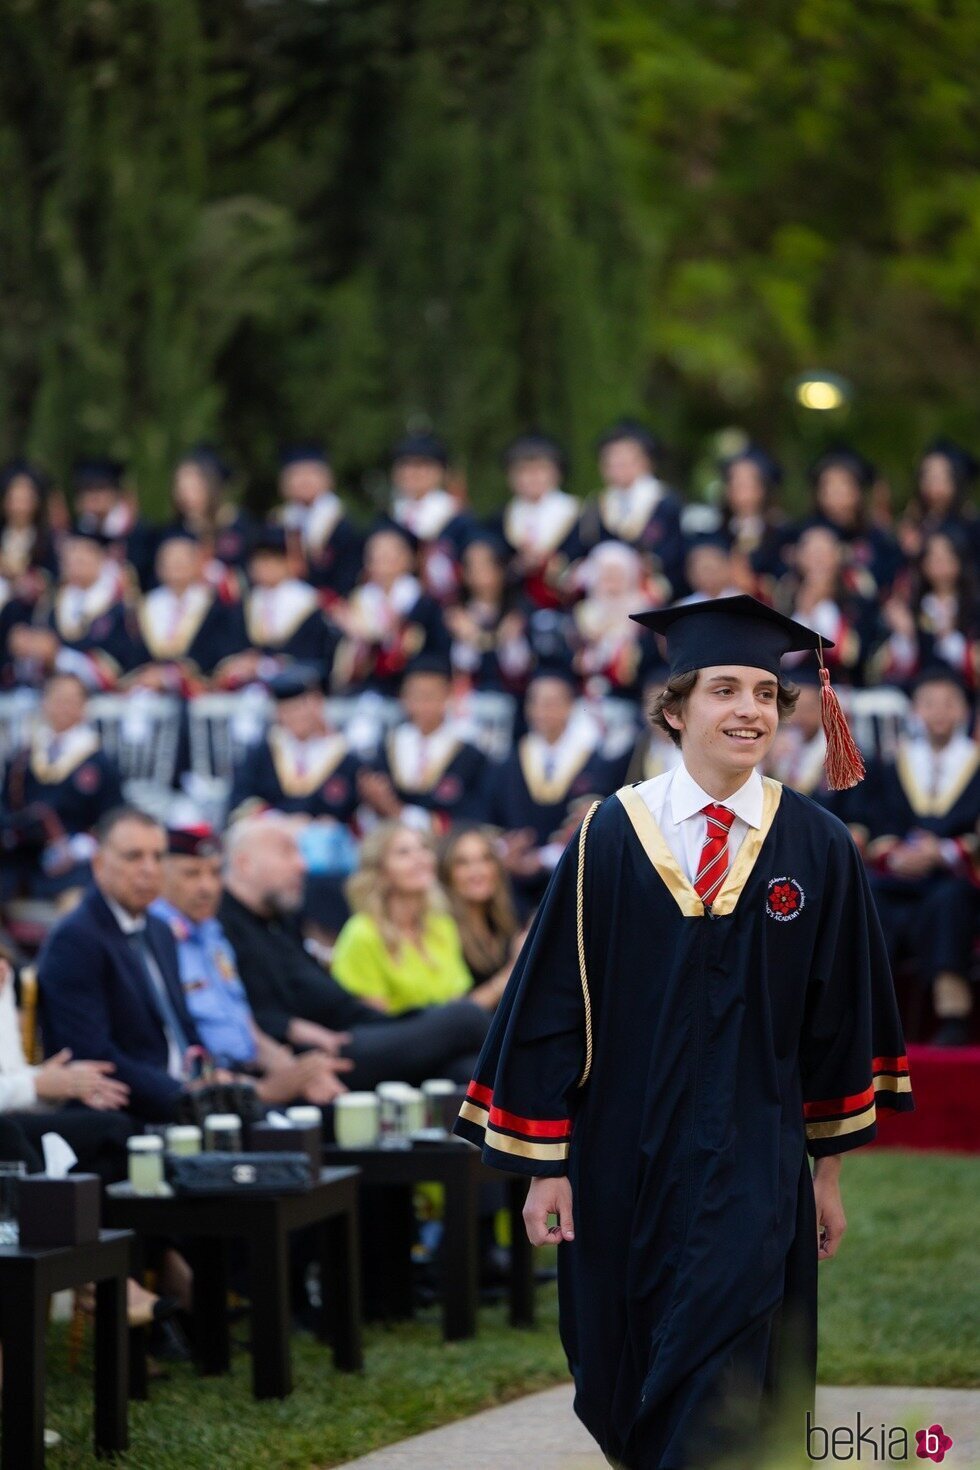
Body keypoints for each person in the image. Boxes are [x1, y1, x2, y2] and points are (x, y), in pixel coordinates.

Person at [454, 594, 913, 1470]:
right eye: (723, 690)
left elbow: (838, 1022)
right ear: (674, 709)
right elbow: (548, 1010)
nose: (750, 710)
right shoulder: (607, 840)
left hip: (755, 1153)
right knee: (623, 1369)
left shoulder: (817, 847)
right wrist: (544, 1170)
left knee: (729, 1368)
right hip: (623, 1155)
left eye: (765, 694)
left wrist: (829, 1174)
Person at [218, 814, 491, 1087]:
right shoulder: (221, 926)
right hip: (335, 1047)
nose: (302, 865)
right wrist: (290, 1029)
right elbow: (234, 1007)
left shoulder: (279, 921)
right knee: (468, 1018)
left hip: (366, 1028)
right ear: (244, 864)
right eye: (287, 853)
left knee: (465, 1069)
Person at [151, 826, 351, 1103]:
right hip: (210, 1087)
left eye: (214, 873)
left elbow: (245, 1026)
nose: (207, 887)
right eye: (191, 874)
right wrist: (263, 1089)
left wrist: (297, 1074)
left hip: (251, 1072)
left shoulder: (211, 933)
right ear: (161, 877)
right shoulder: (155, 938)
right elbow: (182, 1046)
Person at [37, 807, 207, 1121]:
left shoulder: (160, 928)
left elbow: (180, 1025)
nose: (149, 869)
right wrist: (182, 1096)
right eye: (134, 857)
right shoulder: (75, 939)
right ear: (100, 864)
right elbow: (94, 1055)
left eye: (158, 857)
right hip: (132, 1111)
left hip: (182, 1099)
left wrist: (209, 1075)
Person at [852, 667, 980, 1047]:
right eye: (929, 703)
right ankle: (872, 1014)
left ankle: (952, 1013)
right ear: (915, 711)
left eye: (948, 704)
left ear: (964, 711)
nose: (939, 712)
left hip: (957, 878)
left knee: (949, 902)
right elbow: (875, 820)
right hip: (900, 874)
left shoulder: (975, 761)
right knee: (869, 895)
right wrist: (894, 855)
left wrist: (943, 851)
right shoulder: (892, 763)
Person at [484, 667, 620, 909]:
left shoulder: (595, 761)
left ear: (570, 706)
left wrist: (547, 857)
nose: (541, 711)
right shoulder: (511, 760)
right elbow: (490, 814)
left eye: (551, 703)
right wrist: (505, 849)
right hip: (514, 882)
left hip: (572, 879)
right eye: (534, 702)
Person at [0, 671, 124, 904]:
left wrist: (82, 846)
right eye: (57, 699)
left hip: (73, 861)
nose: (63, 707)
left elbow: (112, 817)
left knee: (77, 900)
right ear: (44, 703)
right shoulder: (23, 757)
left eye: (71, 700)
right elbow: (6, 804)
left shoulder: (99, 761)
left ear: (83, 706)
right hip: (24, 854)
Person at [332, 823, 476, 1015]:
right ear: (380, 870)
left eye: (424, 848)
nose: (420, 858)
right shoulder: (361, 933)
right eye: (403, 852)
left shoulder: (442, 925)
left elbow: (458, 1002)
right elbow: (376, 1020)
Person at [359, 654, 489, 831]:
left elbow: (469, 819)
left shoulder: (469, 755)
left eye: (431, 696)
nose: (423, 705)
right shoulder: (388, 747)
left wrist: (395, 810)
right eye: (416, 695)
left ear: (449, 695)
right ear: (403, 697)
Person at [5, 526, 137, 690]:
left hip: (103, 700)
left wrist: (57, 656)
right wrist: (27, 648)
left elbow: (117, 669)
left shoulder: (119, 605)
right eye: (69, 557)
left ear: (101, 558)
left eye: (82, 557)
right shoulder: (51, 602)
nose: (74, 561)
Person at [330, 525, 449, 695]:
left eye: (388, 556)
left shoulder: (423, 603)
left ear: (409, 559)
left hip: (410, 688)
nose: (380, 562)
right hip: (366, 689)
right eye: (375, 556)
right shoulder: (358, 601)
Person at [215, 527, 336, 688]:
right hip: (249, 686)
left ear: (288, 562)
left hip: (295, 687)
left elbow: (314, 654)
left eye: (273, 559)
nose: (265, 566)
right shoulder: (246, 603)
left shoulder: (309, 601)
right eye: (259, 559)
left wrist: (268, 665)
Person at [126, 529, 243, 691]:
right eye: (169, 559)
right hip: (148, 687)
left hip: (198, 690)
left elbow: (219, 651)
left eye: (182, 559)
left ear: (198, 563)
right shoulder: (142, 606)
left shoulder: (215, 605)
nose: (175, 564)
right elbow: (131, 652)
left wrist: (180, 673)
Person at [580, 420, 686, 597]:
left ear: (645, 461)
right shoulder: (596, 505)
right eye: (609, 460)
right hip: (607, 592)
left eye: (624, 458)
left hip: (653, 590)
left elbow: (675, 551)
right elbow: (587, 548)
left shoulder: (665, 501)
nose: (616, 465)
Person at [491, 434, 584, 610]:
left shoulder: (576, 512)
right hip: (515, 604)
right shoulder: (502, 517)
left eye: (540, 469)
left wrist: (558, 563)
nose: (532, 477)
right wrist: (516, 564)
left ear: (556, 473)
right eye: (523, 470)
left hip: (564, 603)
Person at [438, 825, 523, 1009]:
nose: (478, 871)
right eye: (462, 863)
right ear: (446, 873)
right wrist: (514, 970)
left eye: (485, 859)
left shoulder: (509, 919)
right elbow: (455, 1016)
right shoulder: (439, 929)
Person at [386, 432, 474, 602]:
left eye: (421, 465)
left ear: (440, 471)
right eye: (405, 465)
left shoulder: (456, 517)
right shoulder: (392, 518)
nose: (412, 472)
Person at [277, 443, 363, 598]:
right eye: (296, 475)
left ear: (326, 479)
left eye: (311, 474)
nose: (304, 481)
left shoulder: (341, 523)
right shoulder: (279, 521)